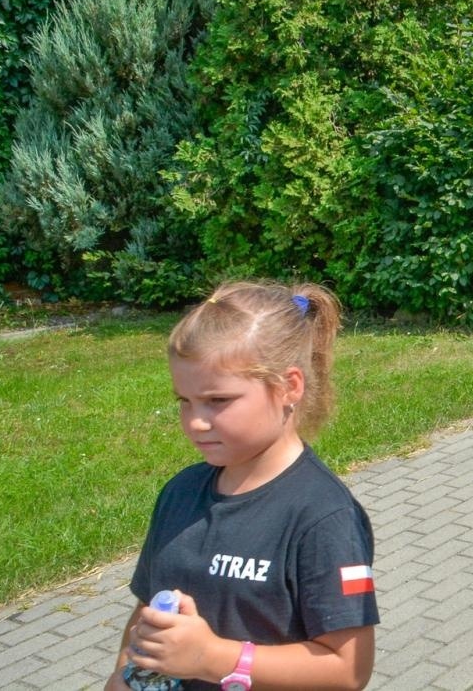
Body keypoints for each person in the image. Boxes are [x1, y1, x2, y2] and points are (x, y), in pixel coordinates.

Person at [108, 283, 377, 691]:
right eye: (184, 400)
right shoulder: (181, 492)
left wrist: (213, 658)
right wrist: (125, 673)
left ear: (290, 387)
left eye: (218, 401)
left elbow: (348, 669)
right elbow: (151, 608)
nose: (196, 421)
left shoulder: (324, 516)